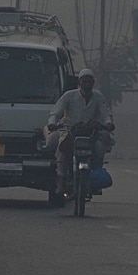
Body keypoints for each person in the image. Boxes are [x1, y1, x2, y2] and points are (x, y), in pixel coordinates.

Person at [47, 68, 115, 196]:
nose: (87, 85)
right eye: (84, 82)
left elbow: (105, 113)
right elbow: (55, 112)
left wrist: (108, 123)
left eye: (89, 82)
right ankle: (61, 181)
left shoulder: (98, 96)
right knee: (62, 149)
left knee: (99, 148)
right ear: (79, 83)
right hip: (70, 131)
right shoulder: (69, 95)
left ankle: (95, 180)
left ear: (93, 83)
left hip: (90, 133)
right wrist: (52, 123)